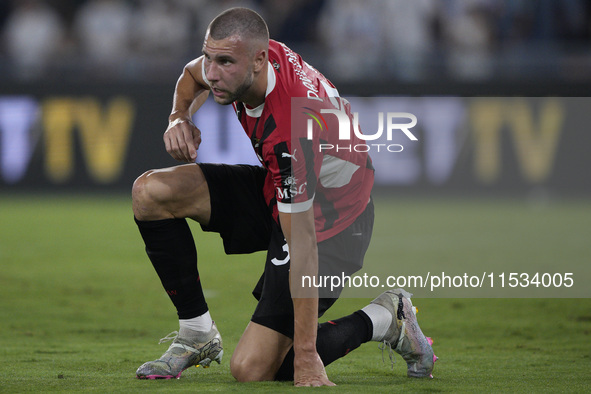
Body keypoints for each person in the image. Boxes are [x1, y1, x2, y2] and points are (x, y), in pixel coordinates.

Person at [131, 7, 435, 386]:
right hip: (284, 190)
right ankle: (197, 333)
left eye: (224, 62)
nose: (212, 73)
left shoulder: (292, 129)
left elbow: (304, 246)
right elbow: (192, 76)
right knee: (151, 192)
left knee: (253, 369)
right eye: (209, 57)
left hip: (334, 223)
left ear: (258, 61)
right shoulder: (253, 55)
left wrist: (307, 356)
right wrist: (180, 116)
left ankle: (387, 317)